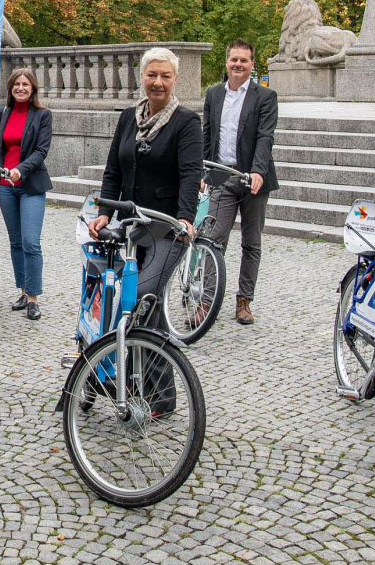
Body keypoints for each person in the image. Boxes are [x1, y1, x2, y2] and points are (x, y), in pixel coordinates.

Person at [86, 48, 202, 411]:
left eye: (165, 76)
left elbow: (190, 174)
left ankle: (159, 394)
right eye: (152, 75)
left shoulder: (186, 122)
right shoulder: (128, 119)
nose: (158, 82)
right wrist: (104, 212)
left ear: (175, 79)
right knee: (117, 302)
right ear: (142, 77)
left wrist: (185, 218)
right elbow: (113, 171)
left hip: (168, 228)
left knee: (145, 299)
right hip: (132, 226)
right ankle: (129, 382)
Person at [200, 39, 278, 326]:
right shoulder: (214, 94)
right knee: (212, 240)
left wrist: (257, 170)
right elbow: (206, 135)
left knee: (251, 242)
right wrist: (201, 171)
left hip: (253, 179)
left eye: (244, 60)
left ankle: (244, 301)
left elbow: (265, 137)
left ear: (252, 64)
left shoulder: (265, 97)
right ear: (227, 62)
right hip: (222, 176)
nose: (238, 64)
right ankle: (206, 302)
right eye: (234, 59)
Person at [0, 67, 52, 320]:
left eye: (25, 84)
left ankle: (34, 298)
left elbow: (41, 150)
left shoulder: (43, 115)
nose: (20, 88)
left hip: (30, 184)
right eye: (16, 84)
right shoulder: (3, 113)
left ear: (32, 88)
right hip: (5, 188)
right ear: (11, 88)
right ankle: (23, 291)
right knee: (15, 242)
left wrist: (21, 170)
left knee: (30, 242)